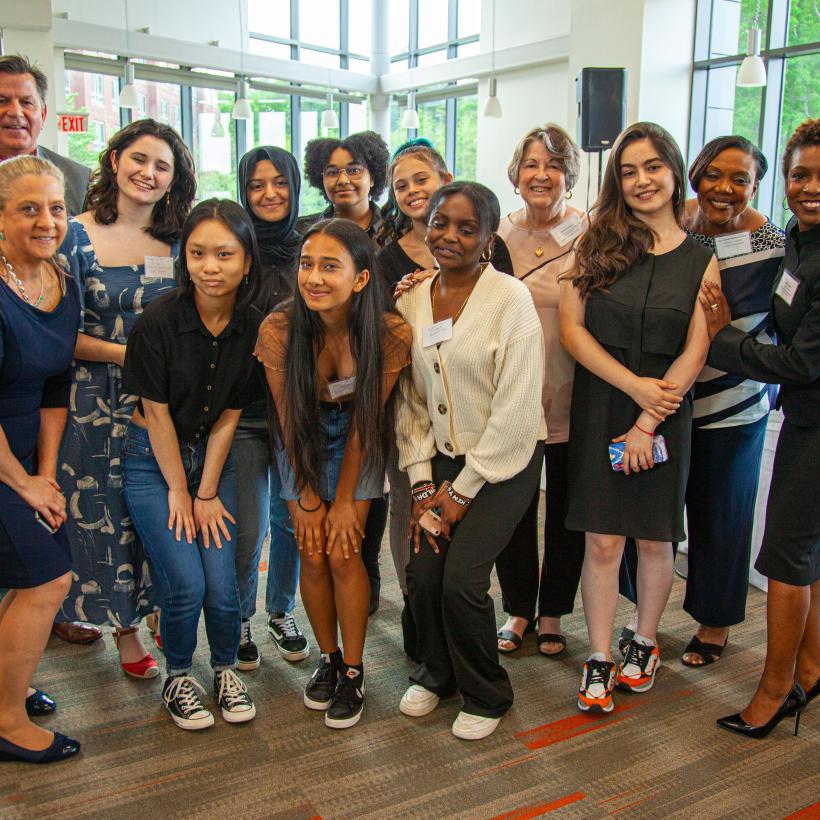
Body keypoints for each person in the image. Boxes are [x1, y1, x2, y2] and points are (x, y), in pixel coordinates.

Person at [559, 122, 719, 714]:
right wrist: (631, 390)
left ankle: (643, 642)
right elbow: (571, 331)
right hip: (603, 402)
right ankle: (599, 655)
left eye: (653, 166)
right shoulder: (595, 244)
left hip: (666, 412)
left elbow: (698, 348)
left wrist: (648, 422)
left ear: (674, 172)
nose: (641, 180)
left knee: (655, 540)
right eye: (628, 171)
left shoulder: (704, 259)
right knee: (602, 541)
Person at [396, 182, 545, 741]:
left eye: (466, 227)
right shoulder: (410, 299)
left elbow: (518, 404)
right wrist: (420, 483)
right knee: (423, 570)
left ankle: (487, 691)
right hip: (437, 462)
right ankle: (438, 673)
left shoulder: (510, 298)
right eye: (440, 223)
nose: (449, 236)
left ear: (488, 237)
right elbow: (409, 400)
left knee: (462, 578)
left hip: (505, 462)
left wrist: (461, 492)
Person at [255, 218, 411, 730]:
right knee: (312, 551)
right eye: (306, 265)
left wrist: (345, 501)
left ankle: (355, 669)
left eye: (329, 266)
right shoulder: (279, 328)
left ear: (361, 278)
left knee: (345, 551)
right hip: (300, 437)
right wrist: (305, 497)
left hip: (358, 439)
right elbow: (287, 421)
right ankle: (328, 658)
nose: (314, 277)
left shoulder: (388, 332)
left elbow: (367, 423)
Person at [56, 119, 196, 679]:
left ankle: (162, 604)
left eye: (162, 166)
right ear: (114, 160)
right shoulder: (71, 234)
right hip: (91, 398)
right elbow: (52, 330)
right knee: (105, 515)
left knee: (162, 508)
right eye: (139, 159)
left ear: (173, 180)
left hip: (165, 401)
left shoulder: (181, 241)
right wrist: (126, 357)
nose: (148, 173)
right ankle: (125, 628)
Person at [122, 199, 263, 730]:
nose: (210, 266)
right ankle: (179, 675)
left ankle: (225, 668)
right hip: (151, 463)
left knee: (224, 587)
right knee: (187, 584)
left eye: (224, 254)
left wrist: (205, 492)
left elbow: (229, 414)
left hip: (212, 460)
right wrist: (181, 493)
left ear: (246, 260)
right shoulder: (157, 321)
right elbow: (155, 416)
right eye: (198, 253)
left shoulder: (253, 326)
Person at [702, 117, 820, 739]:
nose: (810, 187)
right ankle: (812, 666)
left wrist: (723, 343)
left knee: (784, 556)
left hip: (805, 420)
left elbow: (801, 361)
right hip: (802, 415)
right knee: (810, 555)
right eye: (801, 173)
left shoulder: (793, 243)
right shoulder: (798, 240)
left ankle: (776, 692)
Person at [677, 136, 786, 667]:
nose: (725, 188)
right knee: (652, 516)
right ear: (695, 173)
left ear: (755, 185)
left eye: (739, 179)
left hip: (735, 400)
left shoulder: (770, 241)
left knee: (722, 515)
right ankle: (641, 613)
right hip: (666, 400)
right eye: (714, 174)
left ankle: (714, 622)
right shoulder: (673, 224)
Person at [492, 123, 587, 658]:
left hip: (577, 398)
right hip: (515, 403)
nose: (541, 174)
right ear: (517, 174)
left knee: (569, 514)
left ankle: (553, 611)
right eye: (531, 164)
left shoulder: (592, 232)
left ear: (568, 177)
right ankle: (519, 609)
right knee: (513, 513)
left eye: (553, 165)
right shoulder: (499, 234)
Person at [0, 155, 81, 762]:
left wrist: (45, 475)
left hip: (26, 456)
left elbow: (56, 387)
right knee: (47, 577)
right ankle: (4, 721)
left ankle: (7, 686)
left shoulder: (61, 281)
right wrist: (22, 481)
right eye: (29, 208)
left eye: (55, 207)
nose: (46, 220)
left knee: (21, 579)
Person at [231, 145, 310, 670]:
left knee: (290, 521)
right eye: (256, 184)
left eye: (279, 182)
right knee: (247, 525)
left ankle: (281, 609)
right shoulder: (234, 245)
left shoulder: (310, 245)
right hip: (242, 408)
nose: (269, 194)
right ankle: (237, 617)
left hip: (298, 407)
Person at [0, 55, 90, 218]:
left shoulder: (78, 179)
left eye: (26, 102)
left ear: (43, 114)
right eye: (1, 101)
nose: (15, 112)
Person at [298, 131, 389, 240]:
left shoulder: (394, 231)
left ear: (372, 178)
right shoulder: (303, 232)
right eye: (332, 172)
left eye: (354, 170)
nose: (342, 180)